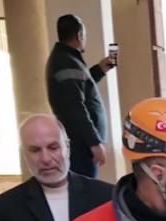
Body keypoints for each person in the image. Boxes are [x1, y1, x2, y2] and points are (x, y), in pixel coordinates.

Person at [45, 14, 116, 178]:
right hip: (80, 146)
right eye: (84, 36)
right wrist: (94, 142)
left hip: (79, 143)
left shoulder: (66, 59)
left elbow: (80, 86)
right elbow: (75, 106)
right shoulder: (66, 62)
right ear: (79, 36)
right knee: (85, 192)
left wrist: (100, 69)